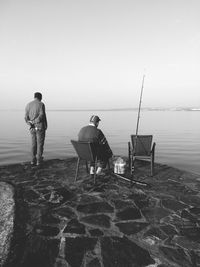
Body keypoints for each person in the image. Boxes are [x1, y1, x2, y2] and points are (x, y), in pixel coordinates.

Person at [25, 92, 47, 166]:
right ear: (40, 97)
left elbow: (26, 118)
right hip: (39, 127)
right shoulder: (41, 104)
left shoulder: (28, 105)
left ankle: (32, 160)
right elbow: (41, 115)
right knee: (40, 144)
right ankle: (39, 161)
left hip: (32, 128)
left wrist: (30, 123)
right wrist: (35, 122)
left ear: (34, 97)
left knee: (33, 144)